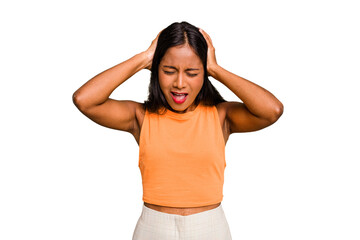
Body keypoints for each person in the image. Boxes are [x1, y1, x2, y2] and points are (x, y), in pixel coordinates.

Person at [73, 21, 283, 240]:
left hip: (210, 228)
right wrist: (143, 58)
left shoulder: (222, 116)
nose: (180, 83)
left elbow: (272, 110)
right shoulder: (140, 117)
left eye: (192, 72)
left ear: (204, 74)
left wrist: (216, 70)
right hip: (152, 228)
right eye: (169, 71)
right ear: (156, 70)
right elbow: (85, 100)